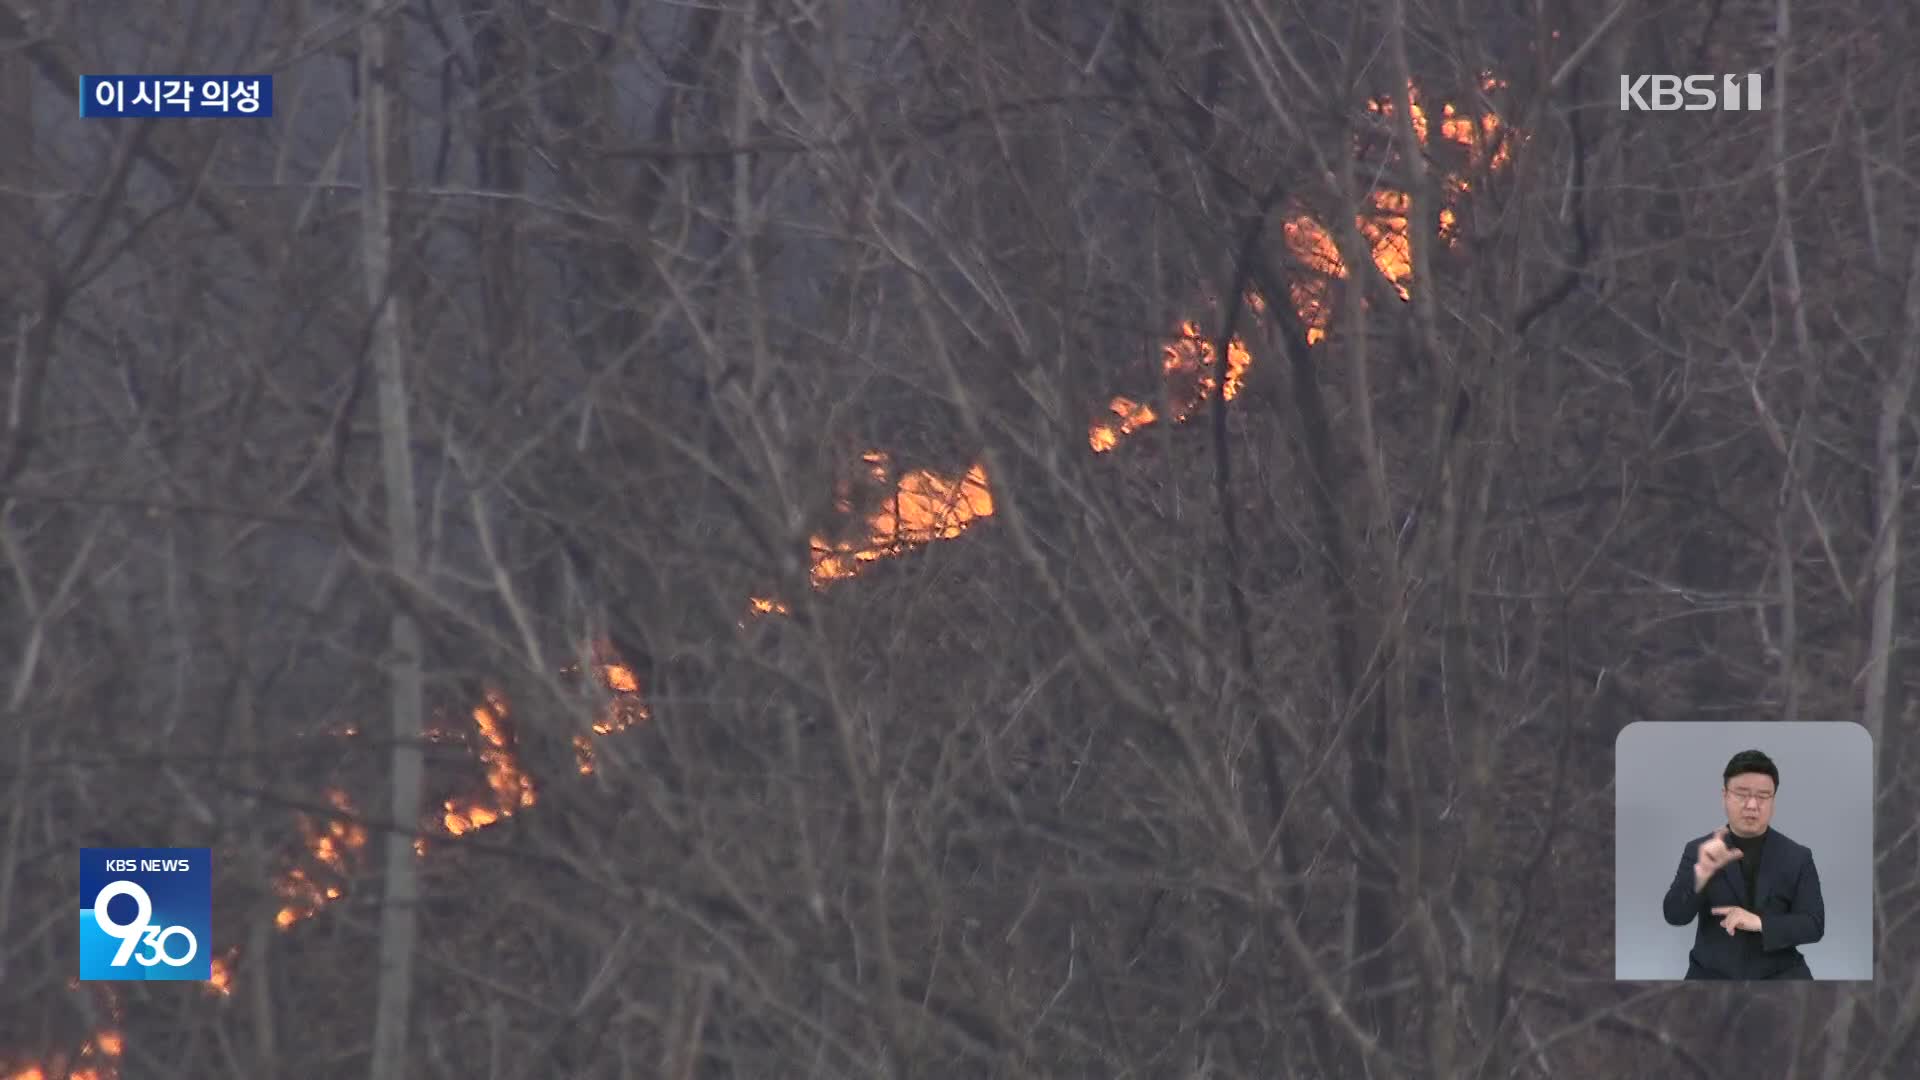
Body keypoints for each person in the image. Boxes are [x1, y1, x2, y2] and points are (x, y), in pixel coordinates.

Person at [1661, 749, 1825, 979]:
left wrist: (1760, 923)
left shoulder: (1798, 856)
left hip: (1781, 976)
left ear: (1773, 800)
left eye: (1763, 796)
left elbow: (1814, 925)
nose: (1751, 805)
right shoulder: (1698, 850)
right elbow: (1674, 915)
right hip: (1711, 975)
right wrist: (1701, 876)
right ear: (1724, 796)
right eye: (1741, 794)